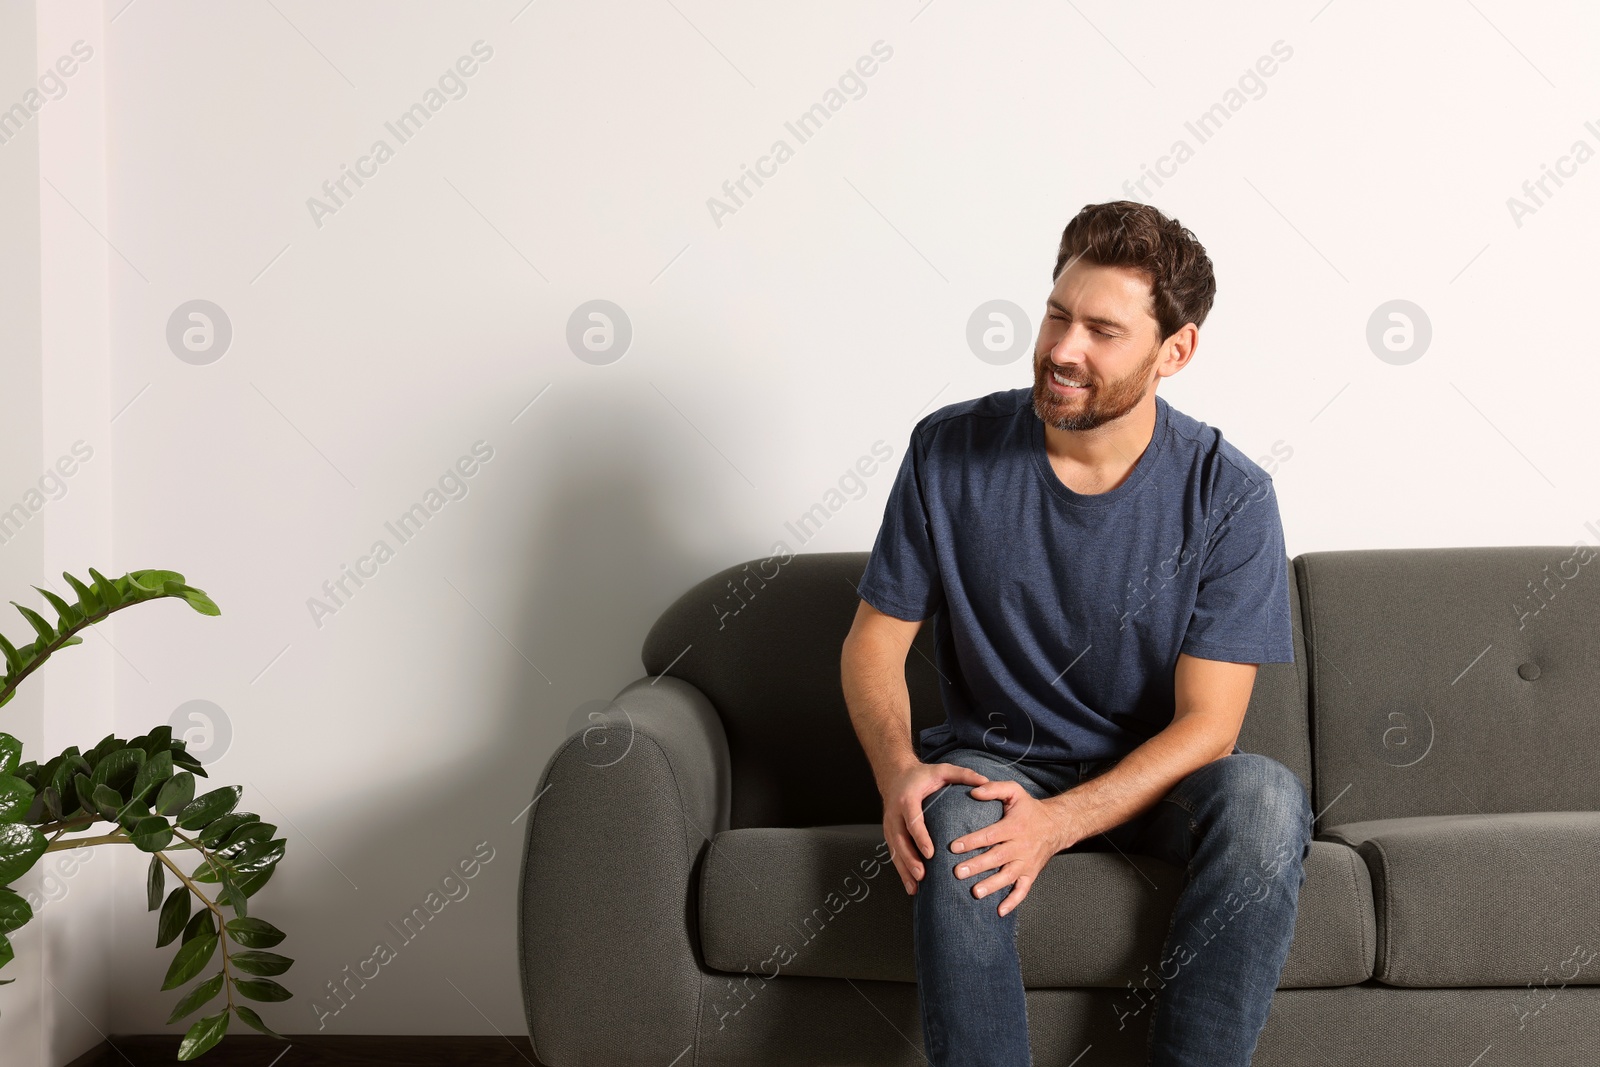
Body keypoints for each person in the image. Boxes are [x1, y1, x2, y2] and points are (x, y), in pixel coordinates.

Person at [839, 200, 1311, 1066]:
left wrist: (1056, 823)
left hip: (1158, 783)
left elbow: (1210, 727)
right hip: (996, 761)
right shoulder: (947, 452)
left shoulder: (1231, 496)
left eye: (1103, 329)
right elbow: (874, 643)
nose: (1063, 348)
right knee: (955, 821)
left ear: (1176, 350)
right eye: (1058, 313)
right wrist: (900, 768)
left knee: (1267, 800)